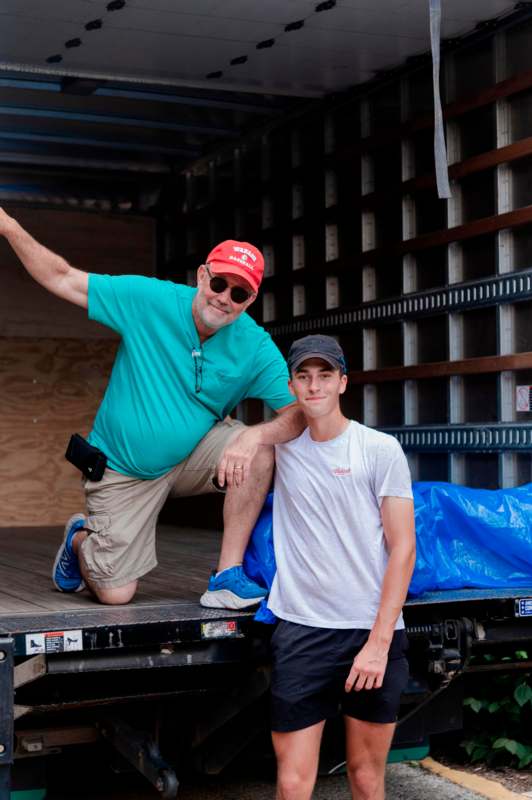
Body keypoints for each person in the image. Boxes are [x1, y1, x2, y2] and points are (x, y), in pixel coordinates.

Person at [0, 206, 305, 609]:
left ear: (250, 300)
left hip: (192, 456)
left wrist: (255, 434)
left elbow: (299, 413)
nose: (224, 298)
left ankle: (227, 576)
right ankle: (78, 540)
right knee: (115, 595)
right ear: (201, 276)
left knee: (262, 450)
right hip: (125, 470)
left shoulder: (255, 345)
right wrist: (8, 226)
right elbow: (62, 278)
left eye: (239, 293)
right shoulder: (150, 300)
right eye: (218, 283)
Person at [268, 334, 416, 800]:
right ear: (292, 386)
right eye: (304, 377)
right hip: (302, 631)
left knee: (367, 778)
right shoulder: (280, 449)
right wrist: (250, 436)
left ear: (343, 382)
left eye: (325, 375)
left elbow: (404, 548)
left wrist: (378, 642)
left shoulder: (378, 449)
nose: (315, 386)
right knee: (292, 783)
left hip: (370, 632)